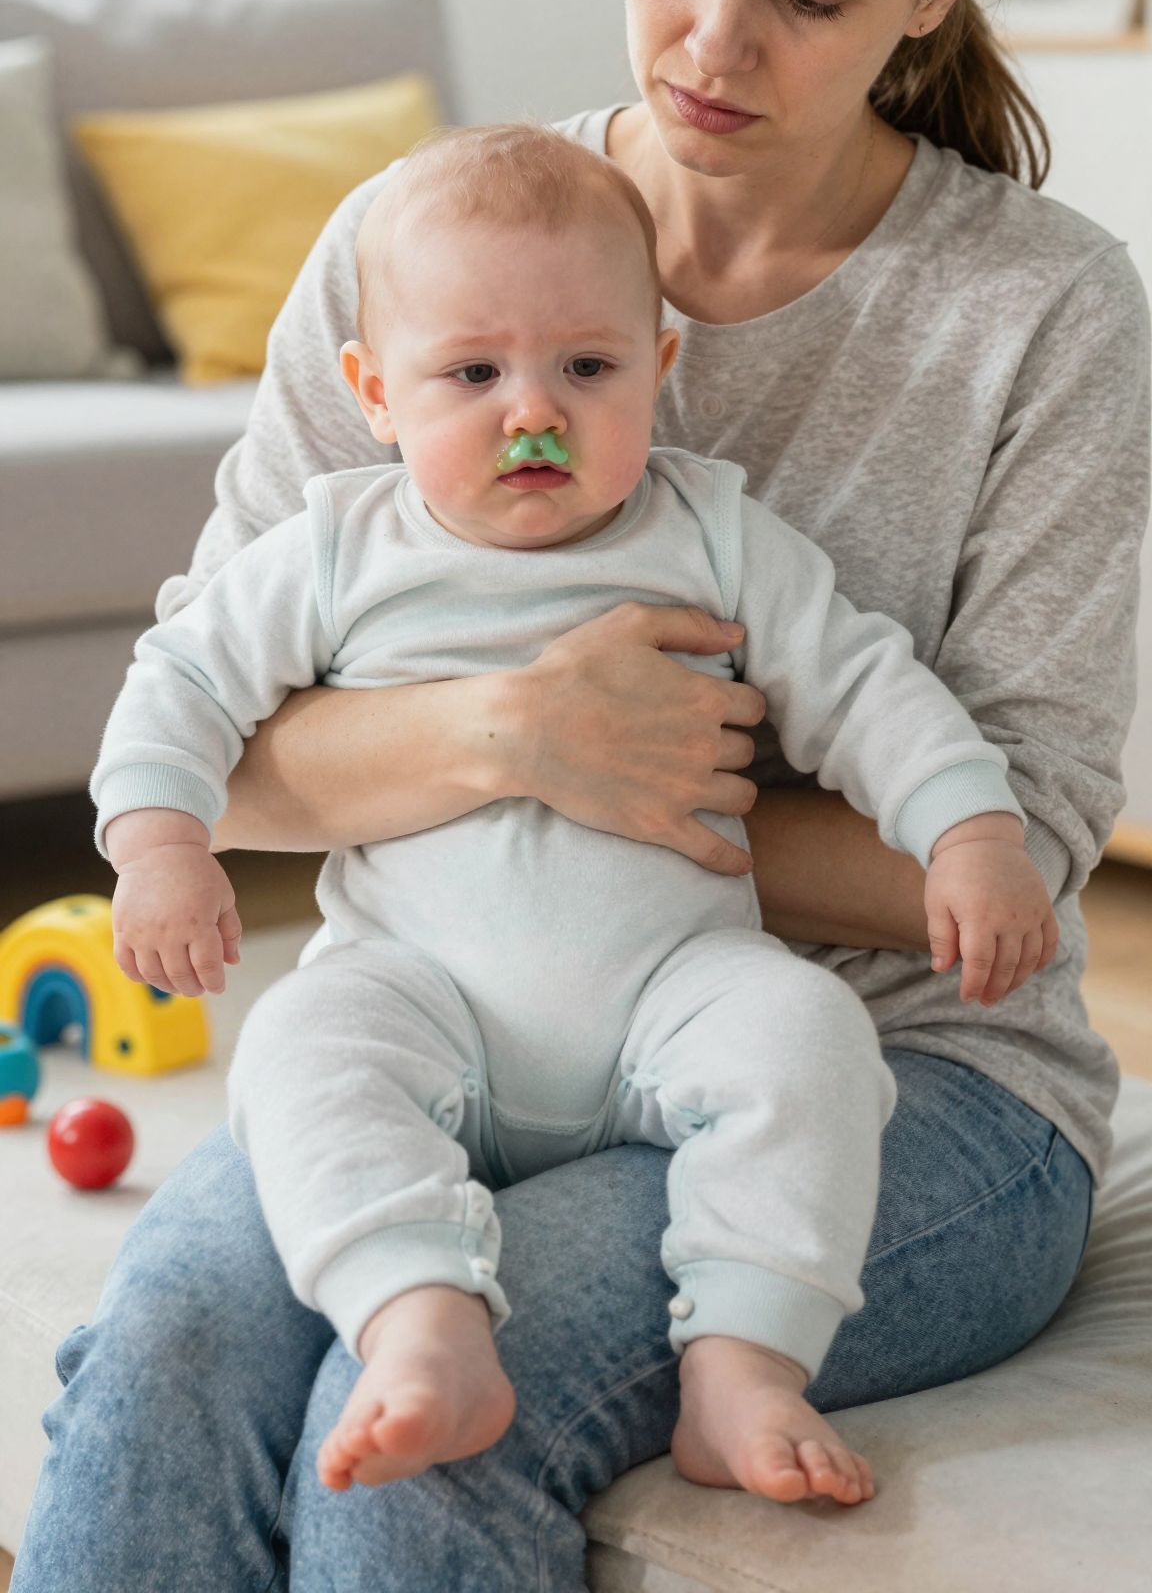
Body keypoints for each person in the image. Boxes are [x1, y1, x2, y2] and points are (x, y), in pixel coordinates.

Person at [12, 0, 1148, 1593]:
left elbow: (1016, 855)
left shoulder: (1042, 316)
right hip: (450, 1013)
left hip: (891, 1075)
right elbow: (223, 737)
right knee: (178, 1342)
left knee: (445, 1418)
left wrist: (644, 810)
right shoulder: (427, 256)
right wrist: (510, 740)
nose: (711, 44)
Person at [90, 120, 1055, 1510]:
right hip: (422, 989)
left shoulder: (712, 529)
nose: (529, 412)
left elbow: (866, 686)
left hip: (671, 991)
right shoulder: (340, 546)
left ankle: (741, 1363)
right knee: (300, 1048)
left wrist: (971, 834)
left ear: (660, 371)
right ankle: (416, 1311)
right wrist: (159, 843)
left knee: (810, 1041)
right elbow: (180, 681)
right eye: (471, 373)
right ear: (372, 391)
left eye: (586, 368)